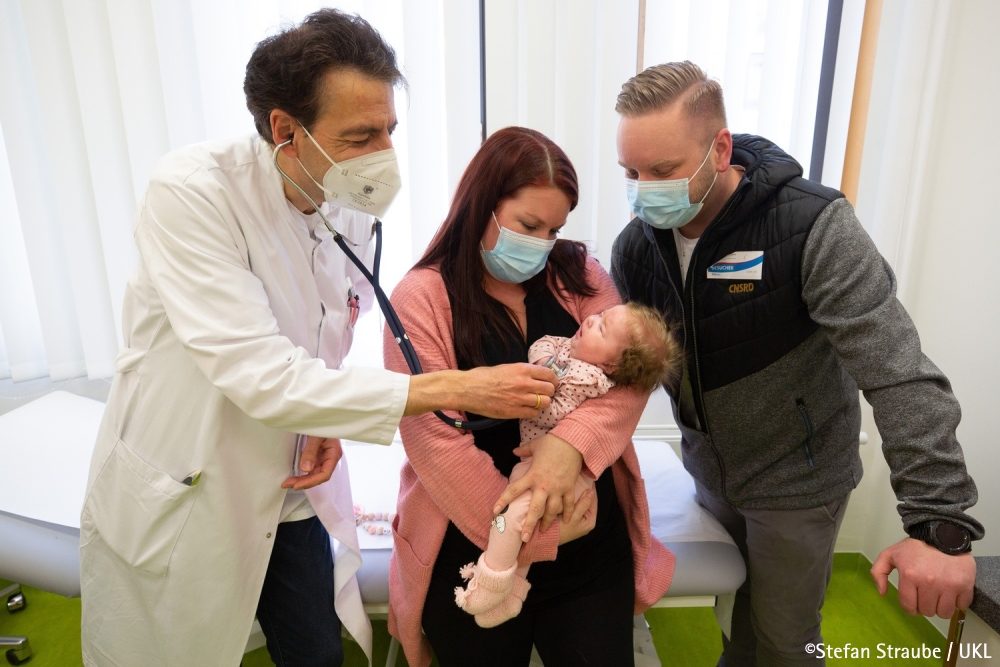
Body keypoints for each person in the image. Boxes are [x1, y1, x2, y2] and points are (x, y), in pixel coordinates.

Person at [78, 10, 556, 667]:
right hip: (188, 479)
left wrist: (323, 418)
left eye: (389, 130)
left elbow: (326, 329)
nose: (382, 156)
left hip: (291, 474)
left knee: (315, 650)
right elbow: (260, 372)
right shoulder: (192, 196)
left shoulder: (344, 198)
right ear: (285, 130)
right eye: (361, 136)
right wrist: (456, 388)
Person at [610, 60, 984, 666]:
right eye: (631, 172)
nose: (644, 188)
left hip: (798, 480)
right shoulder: (636, 247)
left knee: (787, 640)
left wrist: (939, 521)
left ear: (719, 149)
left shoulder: (813, 226)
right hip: (711, 473)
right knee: (736, 625)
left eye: (663, 170)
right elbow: (628, 368)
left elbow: (897, 370)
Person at [383, 126, 675, 667]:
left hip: (589, 545)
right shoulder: (420, 299)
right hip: (475, 547)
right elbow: (436, 445)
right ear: (482, 207)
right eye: (529, 226)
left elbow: (632, 379)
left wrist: (568, 447)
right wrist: (533, 537)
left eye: (555, 229)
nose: (543, 244)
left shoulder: (578, 273)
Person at [454, 301, 678, 628]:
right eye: (599, 316)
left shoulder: (589, 378)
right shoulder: (572, 351)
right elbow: (542, 345)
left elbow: (548, 402)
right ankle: (513, 593)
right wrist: (548, 357)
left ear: (611, 364)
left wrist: (542, 377)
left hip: (568, 480)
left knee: (512, 518)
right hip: (533, 465)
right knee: (528, 521)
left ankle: (489, 580)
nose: (590, 320)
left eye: (601, 328)